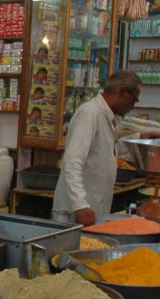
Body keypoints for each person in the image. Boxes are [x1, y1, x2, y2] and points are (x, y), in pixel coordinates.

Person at [51, 70, 142, 226]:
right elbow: (72, 162)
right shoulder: (90, 114)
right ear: (121, 91)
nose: (133, 106)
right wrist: (80, 205)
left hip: (92, 212)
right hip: (75, 214)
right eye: (134, 99)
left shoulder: (109, 118)